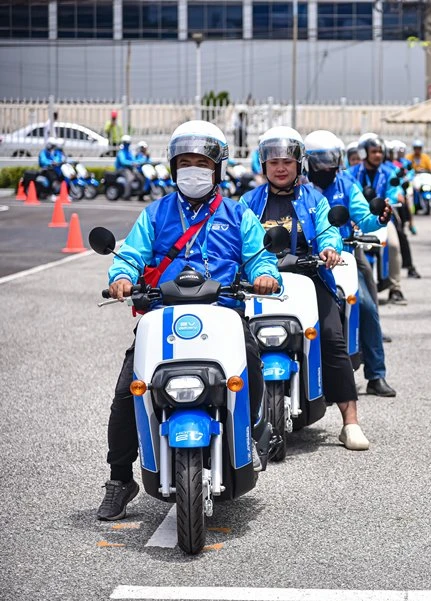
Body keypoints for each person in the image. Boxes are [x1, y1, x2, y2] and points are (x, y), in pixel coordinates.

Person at [96, 120, 281, 521]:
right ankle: (119, 479)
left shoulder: (238, 214)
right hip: (163, 315)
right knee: (128, 392)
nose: (192, 170)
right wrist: (122, 276)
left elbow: (259, 256)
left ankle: (249, 434)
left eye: (201, 163)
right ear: (173, 167)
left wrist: (266, 275)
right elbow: (131, 254)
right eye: (184, 163)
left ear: (217, 168)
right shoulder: (155, 213)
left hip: (223, 312)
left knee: (251, 365)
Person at [241, 126, 371, 449]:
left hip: (310, 279)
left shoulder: (315, 199)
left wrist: (329, 249)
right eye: (273, 162)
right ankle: (238, 423)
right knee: (239, 342)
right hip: (259, 284)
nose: (280, 168)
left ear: (299, 163)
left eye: (287, 161)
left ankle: (350, 422)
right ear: (264, 165)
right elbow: (237, 240)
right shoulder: (247, 202)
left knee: (332, 338)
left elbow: (328, 231)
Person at [304, 129, 397, 397]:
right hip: (305, 261)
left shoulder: (346, 184)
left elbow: (364, 218)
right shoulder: (299, 189)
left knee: (367, 306)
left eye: (331, 159)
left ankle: (376, 375)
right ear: (307, 162)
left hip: (344, 255)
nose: (326, 166)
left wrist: (380, 219)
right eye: (320, 160)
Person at [348, 134, 408, 304]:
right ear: (364, 153)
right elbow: (350, 193)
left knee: (394, 245)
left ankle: (395, 287)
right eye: (374, 151)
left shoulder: (389, 172)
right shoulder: (352, 173)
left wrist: (390, 201)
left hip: (383, 217)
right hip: (358, 218)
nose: (378, 155)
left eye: (380, 151)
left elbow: (394, 191)